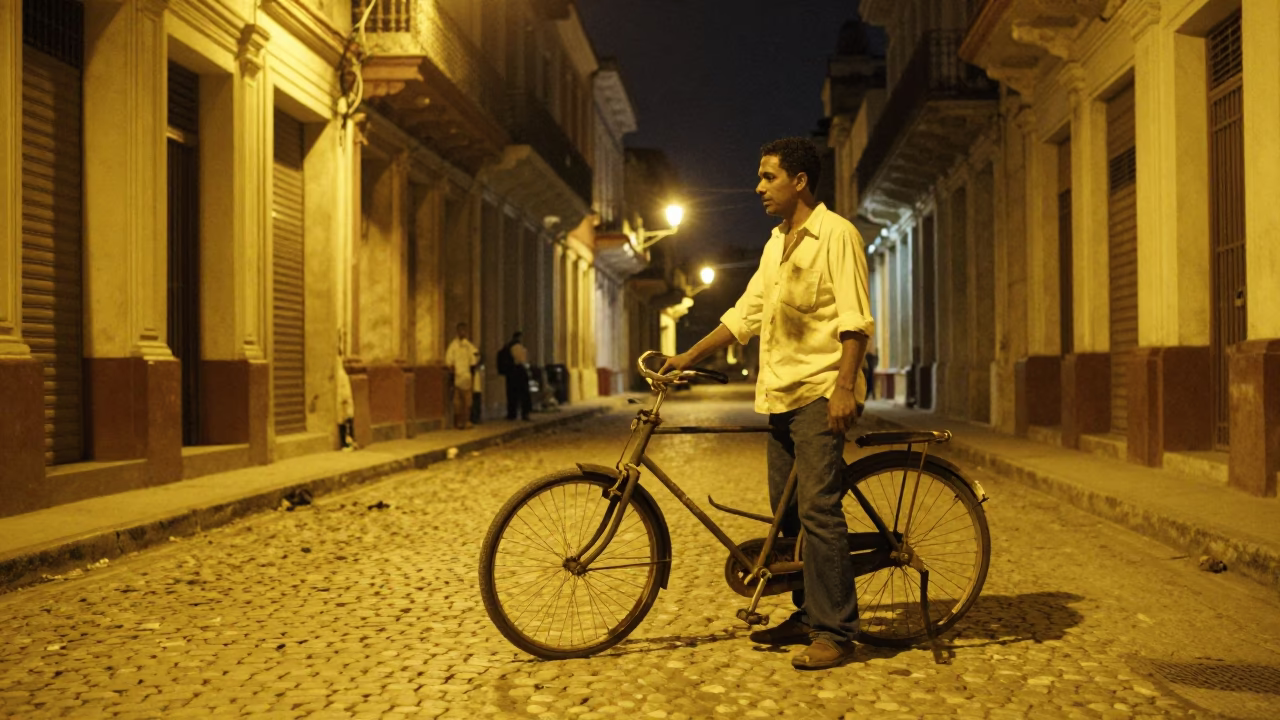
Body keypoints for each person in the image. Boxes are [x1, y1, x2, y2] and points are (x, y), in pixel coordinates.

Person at [661, 137, 874, 670]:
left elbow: (855, 320)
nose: (758, 187)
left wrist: (845, 388)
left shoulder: (836, 236)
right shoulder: (775, 244)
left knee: (821, 510)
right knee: (790, 516)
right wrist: (688, 353)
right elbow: (745, 314)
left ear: (799, 181)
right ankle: (807, 612)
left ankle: (837, 630)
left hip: (822, 389)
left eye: (768, 177)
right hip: (780, 393)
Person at [444, 322, 479, 430]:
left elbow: (474, 359)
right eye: (461, 330)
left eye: (464, 330)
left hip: (466, 377)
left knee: (466, 402)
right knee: (458, 402)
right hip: (459, 377)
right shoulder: (454, 346)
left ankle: (465, 421)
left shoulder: (468, 346)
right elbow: (449, 361)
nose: (462, 332)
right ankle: (460, 422)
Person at [501, 331, 534, 421]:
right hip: (519, 371)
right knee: (524, 394)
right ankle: (525, 413)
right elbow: (522, 360)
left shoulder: (508, 347)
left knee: (512, 394)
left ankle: (512, 414)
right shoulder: (518, 347)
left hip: (510, 373)